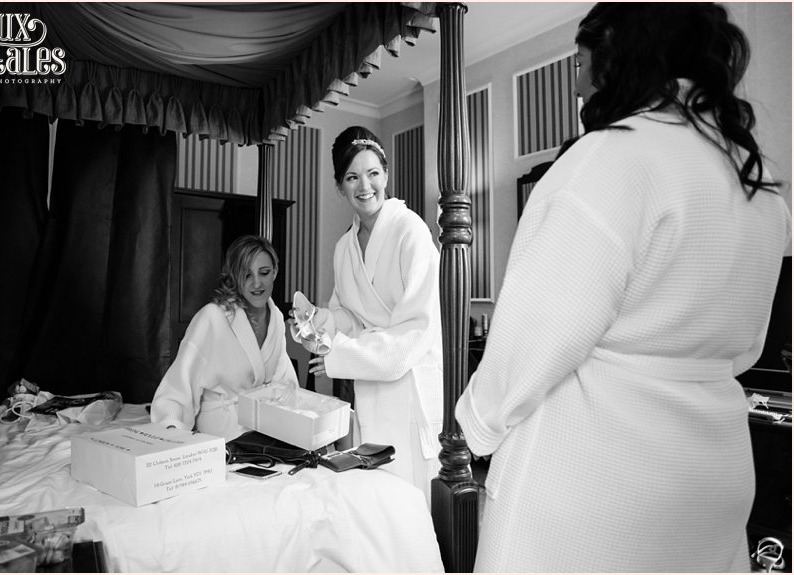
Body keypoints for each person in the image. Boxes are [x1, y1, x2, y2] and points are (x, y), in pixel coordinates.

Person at [456, 4, 791, 573]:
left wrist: (474, 426)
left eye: (580, 63)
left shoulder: (609, 161)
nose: (578, 85)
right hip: (714, 473)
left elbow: (534, 339)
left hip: (595, 479)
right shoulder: (758, 189)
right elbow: (747, 348)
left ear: (617, 54)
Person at [297, 126, 443, 498]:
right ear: (340, 187)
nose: (365, 186)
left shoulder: (411, 232)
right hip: (371, 390)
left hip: (409, 386)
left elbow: (415, 331)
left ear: (386, 175)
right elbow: (348, 315)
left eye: (373, 173)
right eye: (352, 177)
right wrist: (320, 321)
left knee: (412, 501)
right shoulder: (343, 248)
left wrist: (340, 356)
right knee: (377, 500)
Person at [151, 235, 298, 440]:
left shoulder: (277, 319)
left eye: (264, 272)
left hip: (263, 429)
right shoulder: (213, 317)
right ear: (235, 277)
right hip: (221, 433)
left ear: (275, 271)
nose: (257, 283)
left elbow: (285, 381)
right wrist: (172, 436)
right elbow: (179, 386)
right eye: (246, 275)